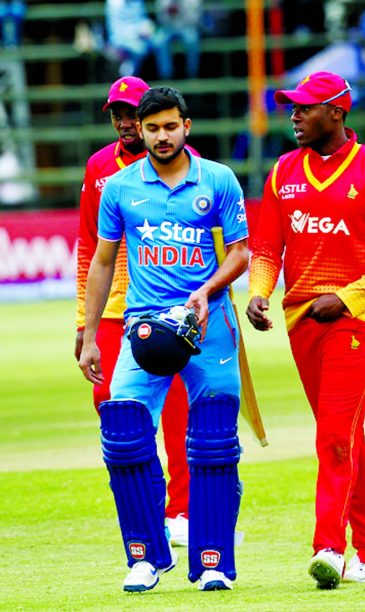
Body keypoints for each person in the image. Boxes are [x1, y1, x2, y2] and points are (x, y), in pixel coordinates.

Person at [78, 86, 249, 593]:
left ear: (186, 126)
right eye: (151, 128)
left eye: (170, 126)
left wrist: (207, 290)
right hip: (143, 328)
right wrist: (88, 336)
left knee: (215, 441)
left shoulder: (218, 179)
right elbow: (103, 261)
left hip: (210, 325)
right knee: (124, 434)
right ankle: (145, 558)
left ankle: (213, 560)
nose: (160, 136)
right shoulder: (120, 186)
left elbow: (241, 253)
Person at [245, 71, 365, 590]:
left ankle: (330, 547)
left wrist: (349, 298)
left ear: (337, 112)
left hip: (357, 317)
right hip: (300, 321)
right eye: (292, 107)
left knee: (332, 433)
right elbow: (267, 248)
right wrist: (259, 293)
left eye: (305, 108)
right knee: (346, 433)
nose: (294, 115)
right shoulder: (283, 171)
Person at [75, 76, 195, 548]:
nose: (125, 122)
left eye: (132, 114)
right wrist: (82, 322)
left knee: (180, 414)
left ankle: (183, 511)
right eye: (118, 115)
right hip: (112, 309)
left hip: (169, 306)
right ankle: (145, 504)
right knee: (114, 407)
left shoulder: (189, 165)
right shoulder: (100, 167)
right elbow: (90, 247)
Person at [105, 0, 158, 77]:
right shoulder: (114, 3)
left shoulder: (137, 2)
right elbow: (117, 28)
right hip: (118, 39)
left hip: (138, 37)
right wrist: (138, 31)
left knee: (158, 42)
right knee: (139, 49)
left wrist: (147, 26)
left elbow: (142, 19)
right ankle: (128, 77)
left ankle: (164, 78)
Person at [153, 0, 203, 79]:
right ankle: (166, 75)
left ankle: (192, 73)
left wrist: (181, 11)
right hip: (168, 28)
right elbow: (160, 20)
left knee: (192, 40)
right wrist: (168, 14)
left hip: (187, 27)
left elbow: (195, 19)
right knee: (159, 41)